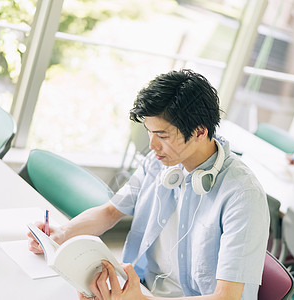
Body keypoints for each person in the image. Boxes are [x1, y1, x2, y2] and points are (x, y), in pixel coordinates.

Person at [28, 69, 270, 300]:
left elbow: (226, 297)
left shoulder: (242, 194)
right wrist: (59, 235)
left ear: (199, 132)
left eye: (163, 136)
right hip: (141, 288)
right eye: (149, 132)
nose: (152, 146)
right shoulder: (158, 163)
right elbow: (111, 211)